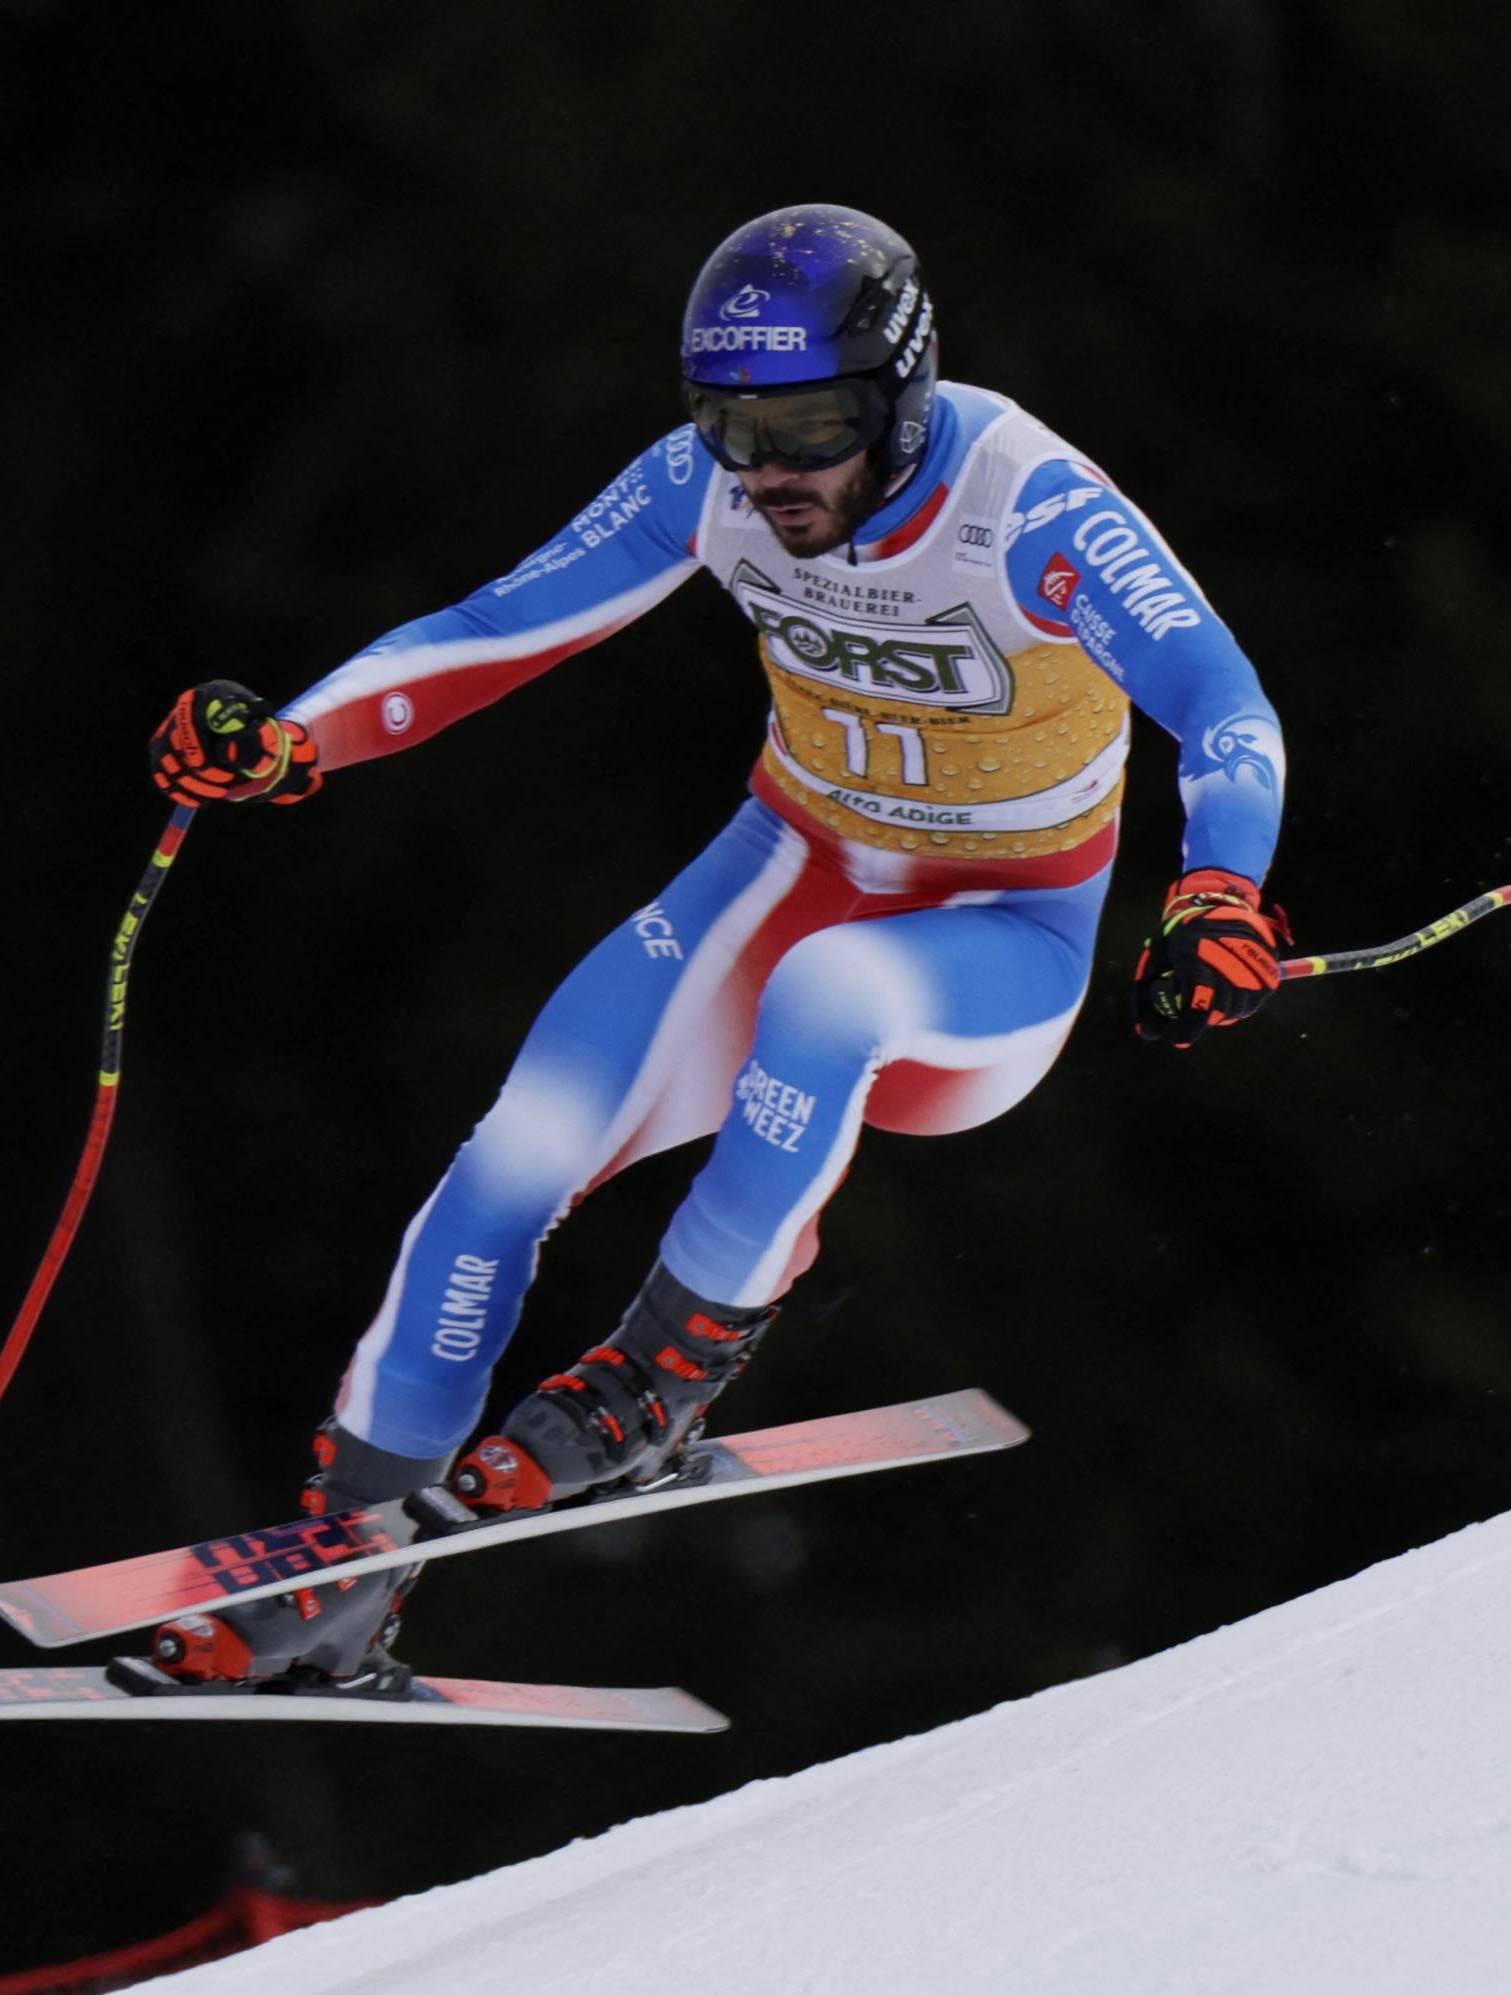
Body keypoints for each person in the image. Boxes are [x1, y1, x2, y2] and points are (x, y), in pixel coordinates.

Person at [138, 203, 1291, 1691]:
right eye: (730, 424)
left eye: (805, 424)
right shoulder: (715, 483)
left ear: (901, 391)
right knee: (496, 1176)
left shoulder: (1028, 506)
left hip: (993, 938)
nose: (767, 471)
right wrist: (297, 740)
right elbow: (505, 623)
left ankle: (660, 1376)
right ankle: (344, 1581)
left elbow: (1225, 702)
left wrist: (1221, 891)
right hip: (783, 868)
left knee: (830, 995)